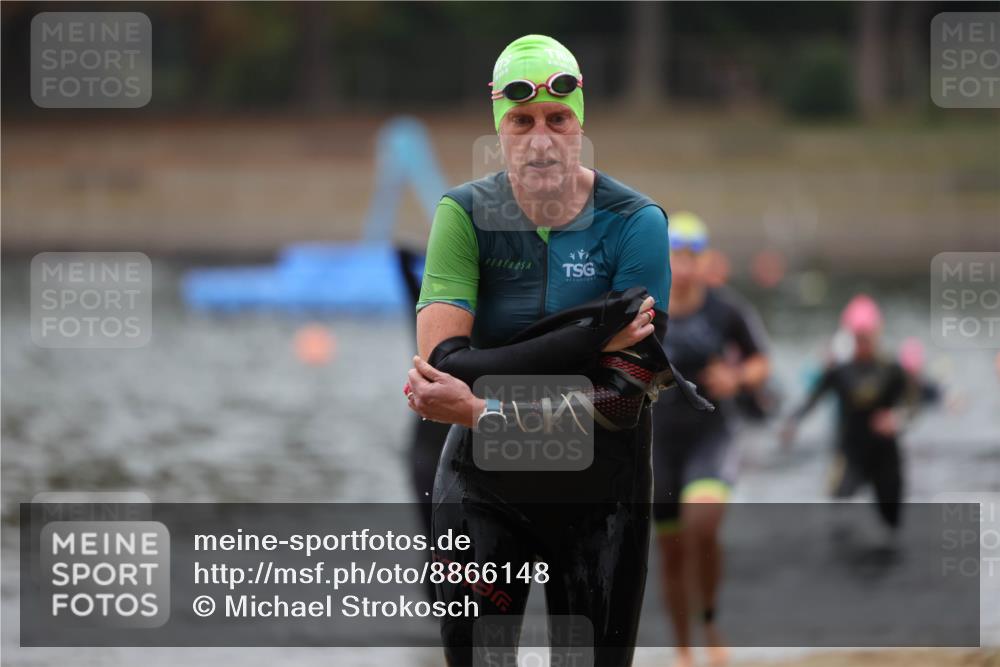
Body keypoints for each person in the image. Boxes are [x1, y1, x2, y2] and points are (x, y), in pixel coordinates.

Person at [404, 34, 708, 667]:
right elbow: (440, 375)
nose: (540, 139)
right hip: (483, 491)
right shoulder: (462, 217)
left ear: (579, 122)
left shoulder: (634, 223)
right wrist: (591, 334)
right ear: (499, 127)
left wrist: (481, 408)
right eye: (521, 121)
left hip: (603, 500)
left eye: (557, 120)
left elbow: (622, 402)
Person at [650, 212, 771, 667]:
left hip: (711, 434)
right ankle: (684, 647)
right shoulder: (646, 308)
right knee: (672, 551)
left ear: (704, 260)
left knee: (701, 524)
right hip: (659, 441)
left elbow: (763, 362)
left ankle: (711, 623)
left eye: (690, 256)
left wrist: (737, 376)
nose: (682, 267)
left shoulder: (727, 309)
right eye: (674, 257)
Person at [782, 294, 916, 535]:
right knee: (838, 510)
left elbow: (912, 406)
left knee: (892, 522)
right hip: (850, 452)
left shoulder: (892, 370)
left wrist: (896, 419)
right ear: (851, 336)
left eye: (868, 336)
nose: (863, 342)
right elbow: (812, 398)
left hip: (885, 455)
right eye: (858, 337)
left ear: (877, 334)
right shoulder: (839, 371)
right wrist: (792, 422)